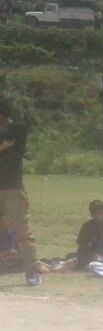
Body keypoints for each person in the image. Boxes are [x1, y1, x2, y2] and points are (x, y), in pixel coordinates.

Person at [0, 97, 38, 286]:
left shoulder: (17, 129)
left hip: (12, 189)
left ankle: (32, 271)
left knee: (22, 231)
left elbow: (4, 138)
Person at [72, 200, 103, 271]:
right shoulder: (87, 226)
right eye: (100, 213)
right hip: (92, 257)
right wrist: (93, 254)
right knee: (75, 258)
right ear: (93, 215)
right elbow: (82, 246)